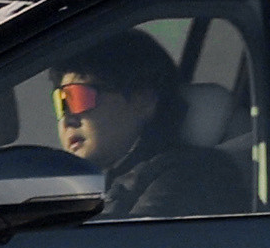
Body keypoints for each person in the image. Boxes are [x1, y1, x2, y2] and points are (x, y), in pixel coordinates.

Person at [47, 39, 245, 222]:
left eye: (78, 98)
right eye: (60, 103)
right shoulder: (92, 186)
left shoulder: (192, 175)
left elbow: (129, 245)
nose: (67, 119)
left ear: (143, 101)